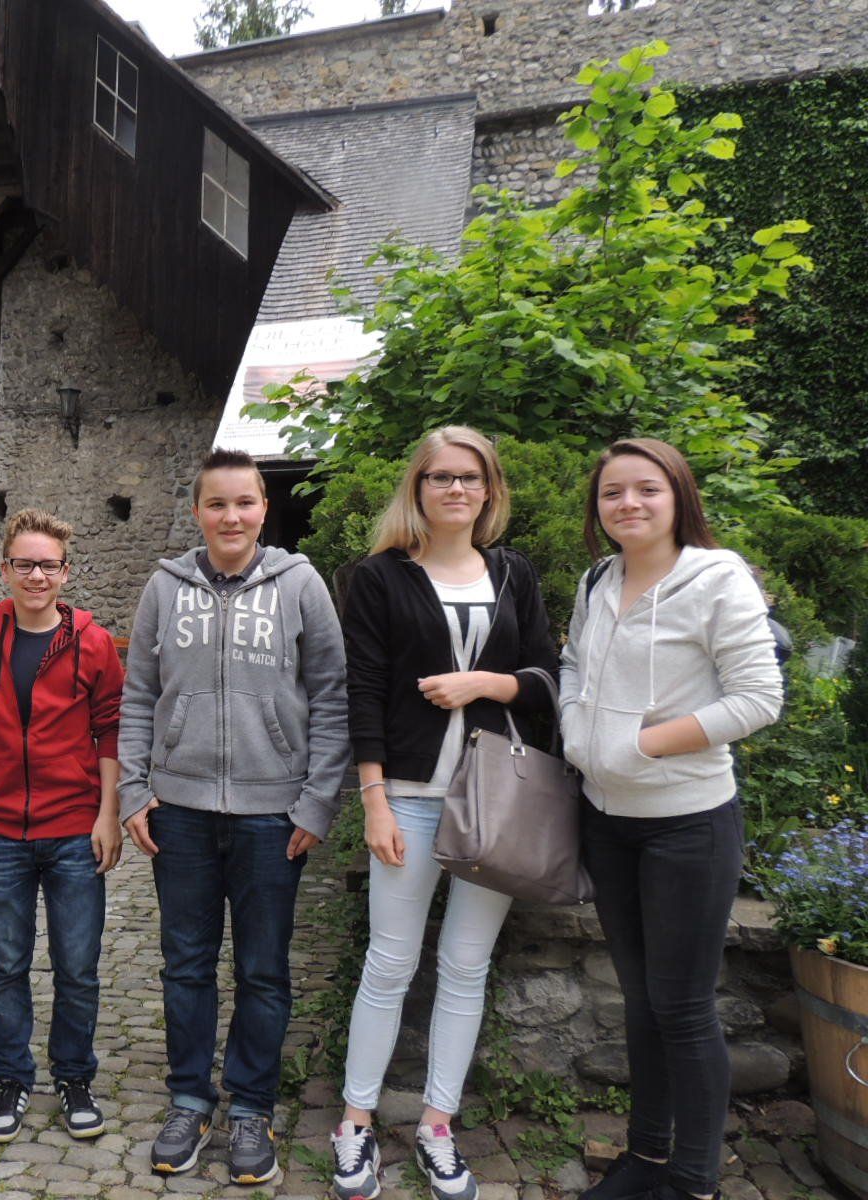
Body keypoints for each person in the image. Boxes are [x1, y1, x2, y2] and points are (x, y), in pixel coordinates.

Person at [329, 427, 560, 1200]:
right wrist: (372, 800)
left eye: (470, 477)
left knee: (465, 966)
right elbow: (362, 691)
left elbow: (547, 677)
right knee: (390, 963)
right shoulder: (380, 578)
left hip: (495, 804)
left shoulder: (513, 573)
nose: (455, 489)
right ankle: (355, 1122)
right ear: (418, 489)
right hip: (407, 798)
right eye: (440, 477)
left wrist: (484, 684)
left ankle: (437, 1125)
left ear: (489, 491)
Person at [119, 447, 350, 1187]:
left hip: (271, 815)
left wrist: (316, 800)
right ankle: (190, 1099)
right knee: (186, 966)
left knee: (263, 969)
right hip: (180, 813)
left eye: (244, 502)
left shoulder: (301, 584)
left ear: (263, 508)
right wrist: (132, 790)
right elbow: (138, 694)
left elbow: (332, 695)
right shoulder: (165, 586)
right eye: (217, 504)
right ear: (197, 511)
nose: (231, 516)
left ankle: (251, 1107)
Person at [562, 440, 781, 1200]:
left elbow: (758, 698)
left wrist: (642, 744)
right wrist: (577, 730)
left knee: (684, 1009)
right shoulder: (598, 579)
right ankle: (648, 1158)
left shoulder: (717, 579)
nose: (628, 504)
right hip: (607, 820)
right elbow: (573, 664)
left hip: (688, 824)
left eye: (646, 489)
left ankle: (693, 1181)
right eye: (612, 492)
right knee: (641, 1002)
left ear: (677, 496)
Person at [0, 508, 125, 1145]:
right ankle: (11, 1079)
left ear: (65, 572)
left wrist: (108, 814)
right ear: (6, 570)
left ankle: (74, 1078)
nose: (36, 575)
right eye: (24, 564)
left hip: (74, 830)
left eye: (48, 565)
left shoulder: (93, 644)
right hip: (2, 835)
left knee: (77, 967)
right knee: (7, 964)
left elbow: (111, 729)